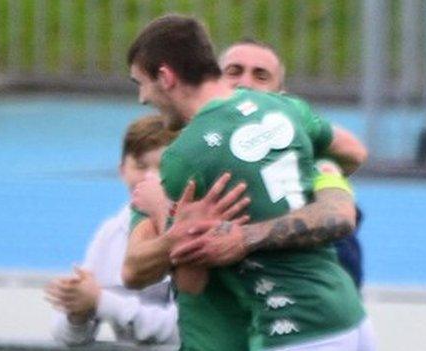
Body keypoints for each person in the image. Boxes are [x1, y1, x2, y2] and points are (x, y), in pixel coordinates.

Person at [124, 14, 376, 351]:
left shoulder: (184, 159)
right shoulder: (285, 111)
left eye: (141, 83)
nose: (142, 98)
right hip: (348, 318)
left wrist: (162, 214)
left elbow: (151, 273)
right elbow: (354, 154)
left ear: (166, 77)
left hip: (290, 332)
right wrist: (323, 179)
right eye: (236, 71)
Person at [219, 38, 366, 289]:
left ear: (281, 95)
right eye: (234, 71)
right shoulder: (198, 135)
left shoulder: (293, 131)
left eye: (261, 76)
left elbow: (355, 152)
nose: (245, 83)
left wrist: (321, 179)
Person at [44, 115, 180, 346]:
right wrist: (76, 311)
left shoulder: (194, 232)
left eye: (163, 167)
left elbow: (181, 331)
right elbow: (68, 338)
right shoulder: (111, 234)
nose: (151, 178)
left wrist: (101, 301)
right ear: (122, 170)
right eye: (141, 166)